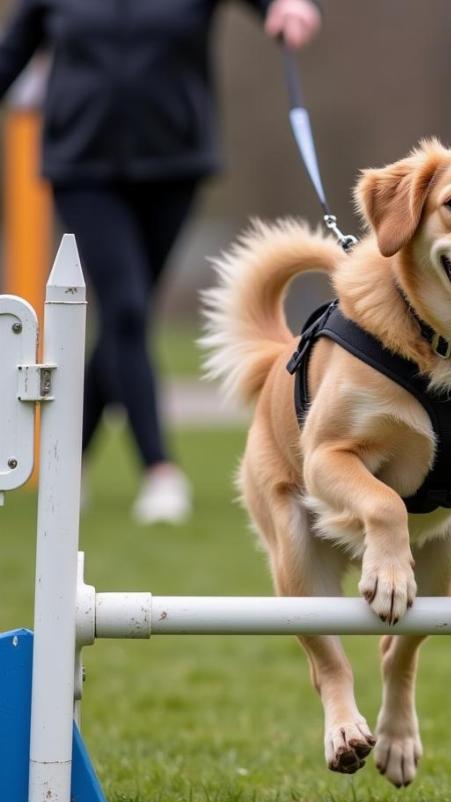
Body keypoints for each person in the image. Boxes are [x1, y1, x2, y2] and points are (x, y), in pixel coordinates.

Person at [0, 0, 322, 523]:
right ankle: (159, 470)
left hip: (174, 166)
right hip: (82, 168)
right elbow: (11, 55)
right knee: (125, 310)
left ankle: (67, 461)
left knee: (125, 320)